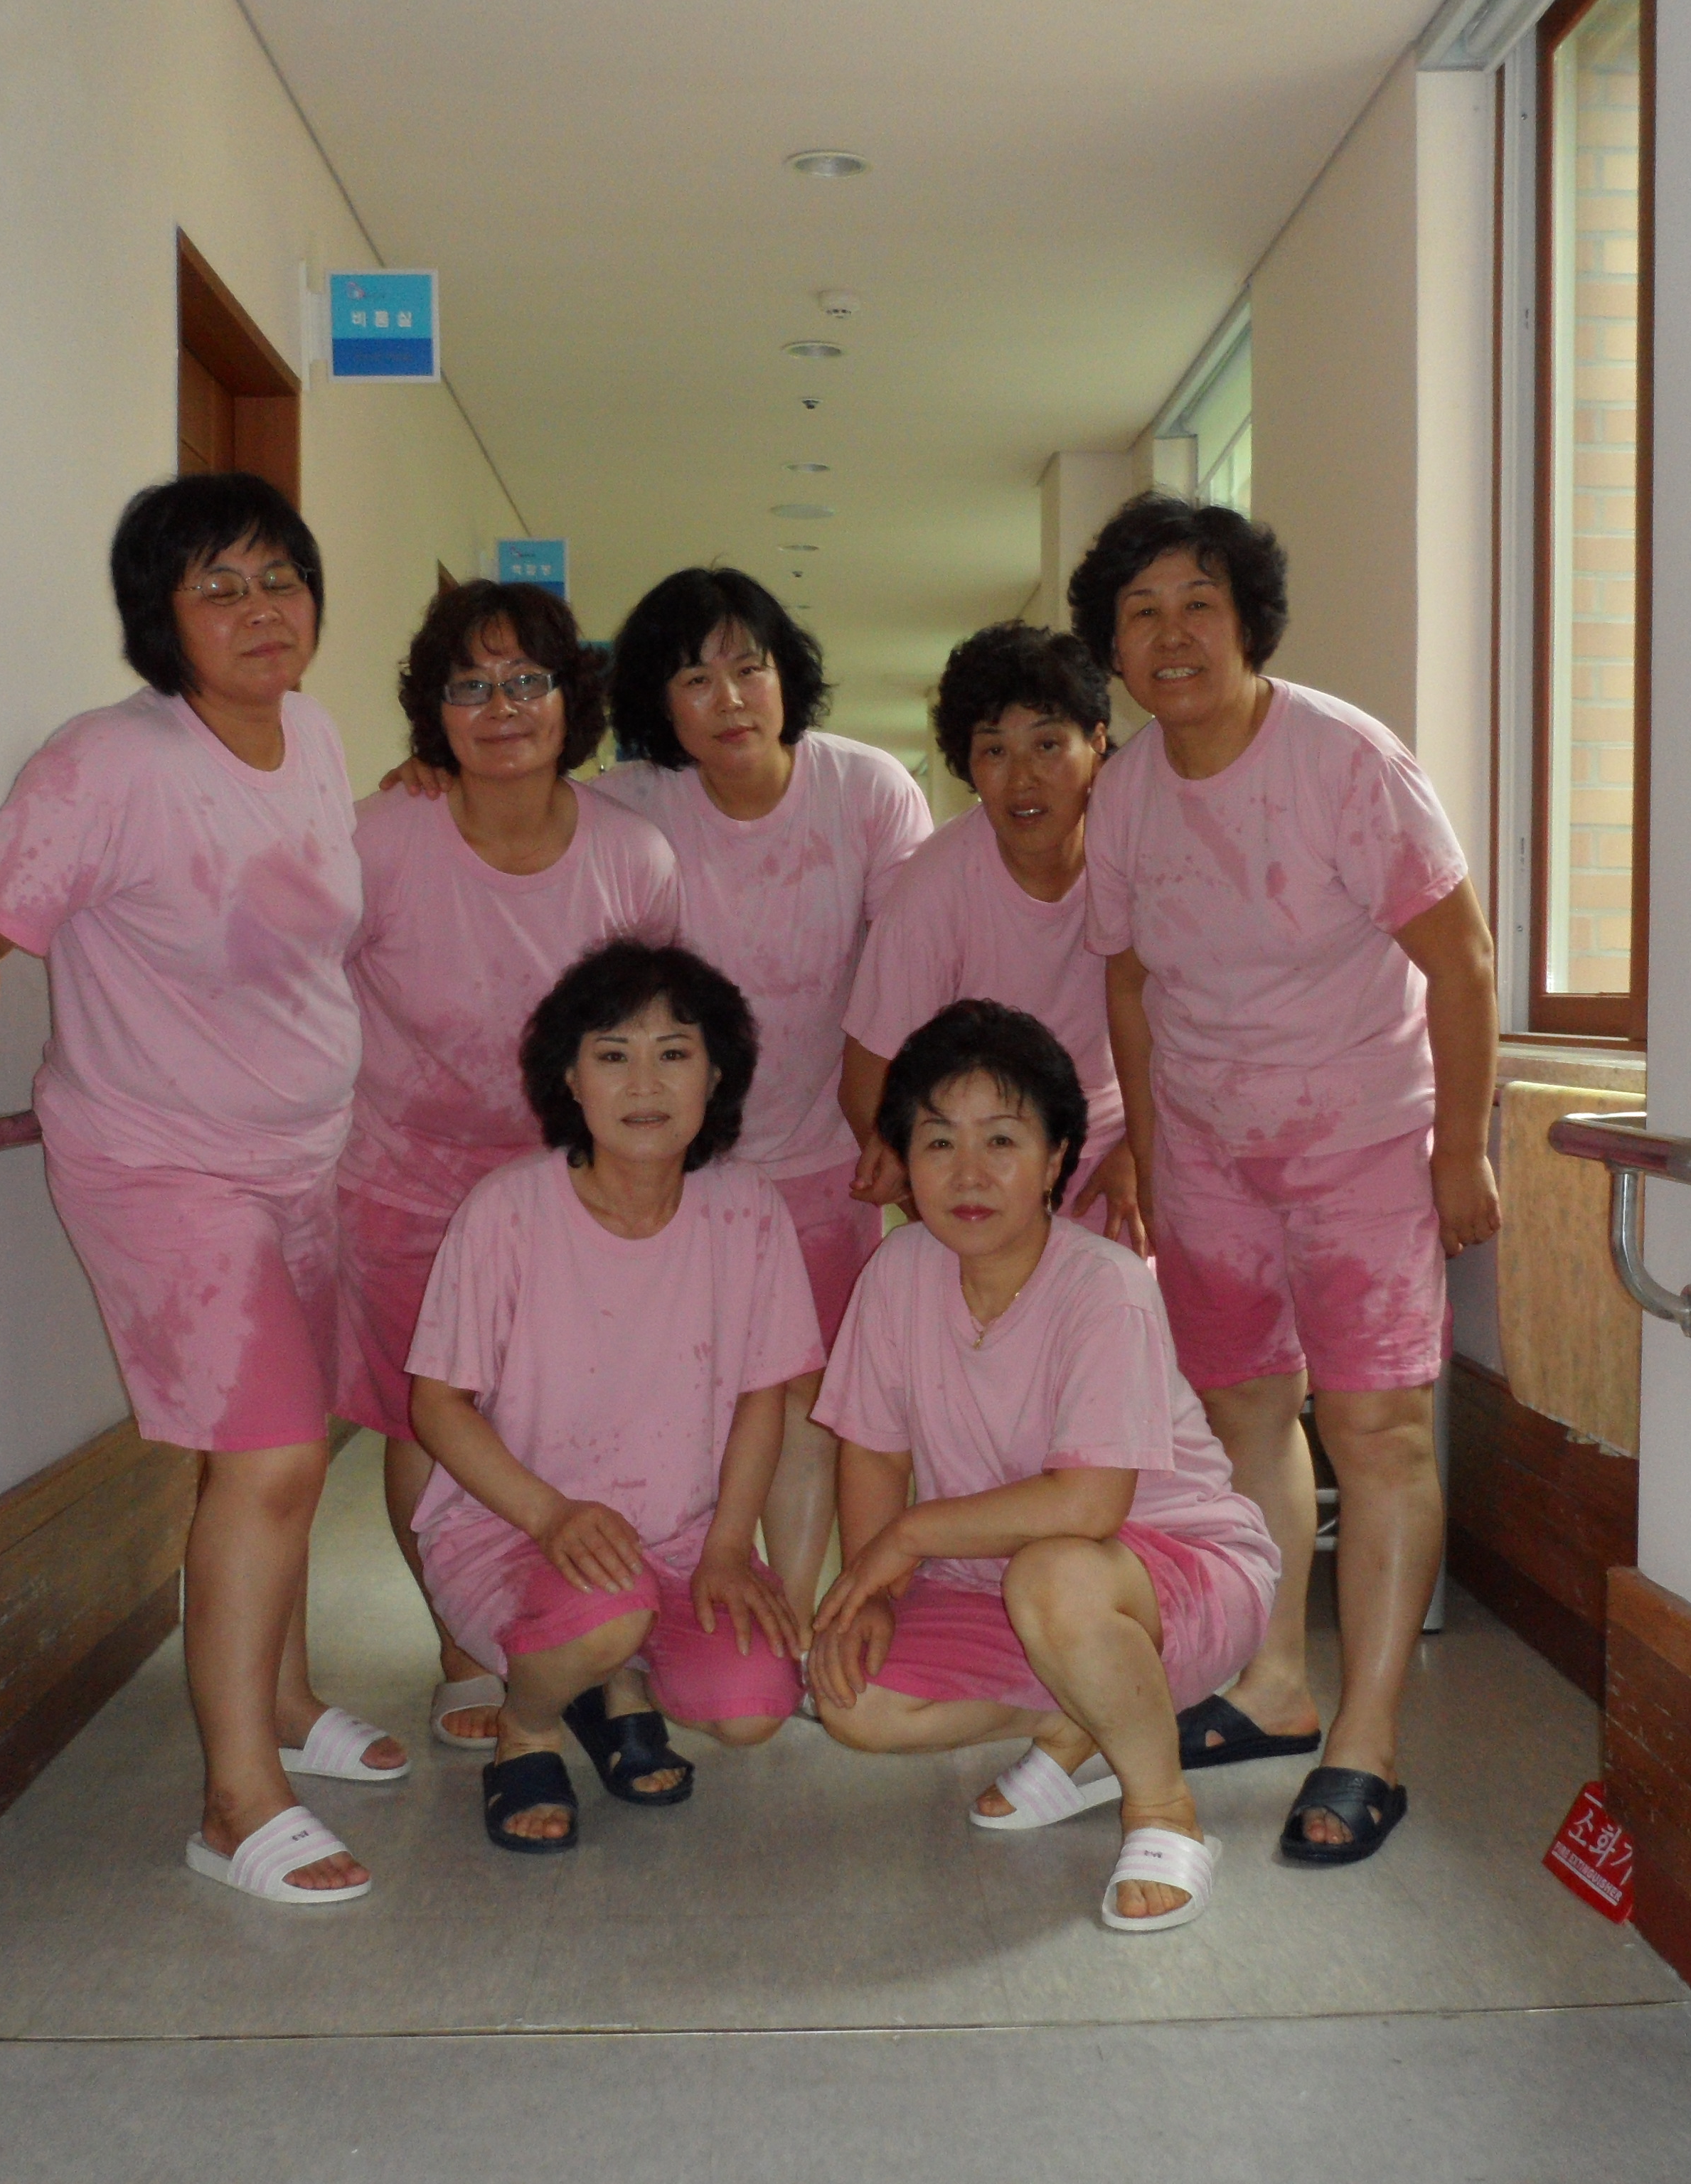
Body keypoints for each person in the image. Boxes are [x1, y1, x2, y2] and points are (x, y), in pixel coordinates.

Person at [0, 472, 399, 1907]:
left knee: (285, 1447)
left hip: (303, 1154)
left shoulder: (314, 734)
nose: (260, 610)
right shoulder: (109, 763)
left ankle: (283, 1695)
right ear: (158, 618)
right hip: (165, 1166)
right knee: (272, 1459)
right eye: (218, 588)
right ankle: (234, 1798)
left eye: (279, 577)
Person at [1072, 493, 1500, 1868]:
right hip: (1209, 1151)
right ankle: (1271, 1683)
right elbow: (1126, 983)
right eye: (1140, 612)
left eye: (1196, 602)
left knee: (1375, 1431)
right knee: (1243, 1414)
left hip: (1359, 1145)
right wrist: (1150, 1145)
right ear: (1112, 649)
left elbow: (1461, 959)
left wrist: (1457, 1148)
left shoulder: (1343, 760)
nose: (1170, 633)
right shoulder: (1124, 790)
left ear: (1246, 619)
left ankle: (1364, 1739)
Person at [811, 1002, 1277, 1934]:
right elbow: (873, 1452)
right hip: (995, 1579)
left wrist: (908, 1537)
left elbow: (1091, 1504)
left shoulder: (1106, 1285)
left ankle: (1162, 1807)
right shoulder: (897, 1272)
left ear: (1058, 1157)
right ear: (905, 1159)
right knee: (852, 1701)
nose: (969, 1173)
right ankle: (1083, 1719)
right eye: (938, 1142)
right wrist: (880, 1592)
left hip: (1175, 1573)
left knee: (1055, 1577)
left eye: (1002, 1140)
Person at [334, 579, 680, 1753]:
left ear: (569, 698)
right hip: (408, 1185)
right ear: (433, 712)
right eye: (469, 686)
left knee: (573, 1411)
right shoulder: (381, 839)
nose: (501, 707)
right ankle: (464, 1649)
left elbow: (654, 1032)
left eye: (527, 680)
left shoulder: (633, 854)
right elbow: (294, 989)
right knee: (430, 1418)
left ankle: (581, 1624)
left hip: (574, 1187)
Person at [407, 941, 823, 1853]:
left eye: (674, 1053)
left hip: (680, 1538)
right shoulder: (507, 1211)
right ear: (570, 1077)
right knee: (609, 1612)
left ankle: (616, 1684)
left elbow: (765, 1397)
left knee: (752, 1708)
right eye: (612, 1054)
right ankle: (530, 1728)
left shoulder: (748, 1209)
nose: (645, 1083)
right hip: (514, 1530)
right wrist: (550, 1515)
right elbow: (435, 1405)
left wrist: (727, 1547)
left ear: (716, 1074)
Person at [585, 568, 932, 1627]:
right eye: (696, 679)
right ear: (660, 703)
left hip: (828, 1153)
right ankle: (666, 1607)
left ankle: (801, 1615)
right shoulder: (629, 803)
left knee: (813, 1397)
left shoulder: (867, 792)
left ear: (789, 677)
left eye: (750, 668)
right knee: (682, 1388)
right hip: (680, 1167)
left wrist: (895, 1130)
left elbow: (913, 975)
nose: (730, 699)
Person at [838, 623, 1138, 1248]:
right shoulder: (934, 889)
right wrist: (947, 1208)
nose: (1022, 778)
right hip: (983, 1168)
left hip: (1112, 1160)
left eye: (1048, 745)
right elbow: (865, 1087)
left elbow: (1197, 1031)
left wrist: (1141, 1152)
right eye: (994, 751)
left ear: (1097, 743)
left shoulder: (1144, 851)